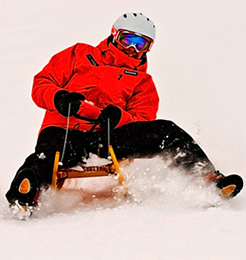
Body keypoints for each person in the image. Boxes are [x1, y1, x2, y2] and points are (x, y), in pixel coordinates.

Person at [6, 12, 243, 214]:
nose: (132, 48)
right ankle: (27, 189)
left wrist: (120, 117)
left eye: (141, 44)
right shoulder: (80, 54)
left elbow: (143, 120)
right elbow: (43, 83)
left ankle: (206, 179)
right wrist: (59, 98)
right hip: (64, 128)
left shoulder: (143, 82)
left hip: (108, 137)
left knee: (166, 131)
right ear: (114, 34)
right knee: (48, 156)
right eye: (128, 39)